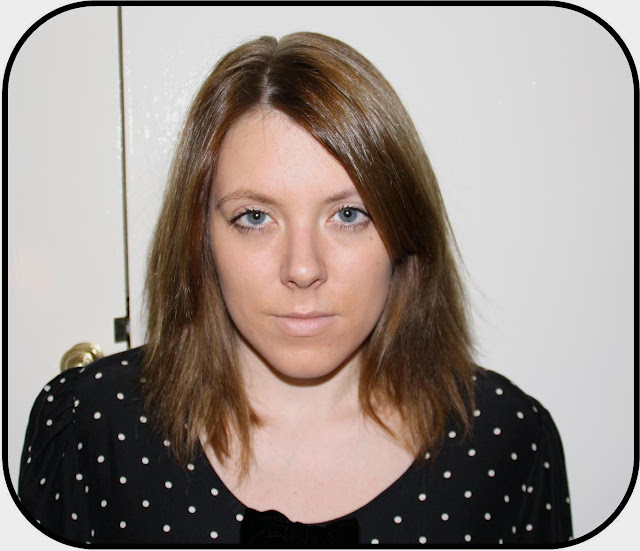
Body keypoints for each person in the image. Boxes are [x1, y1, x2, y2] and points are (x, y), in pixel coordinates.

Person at [18, 32, 572, 545]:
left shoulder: (507, 442)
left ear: (405, 230)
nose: (303, 269)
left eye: (349, 214)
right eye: (255, 217)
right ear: (200, 236)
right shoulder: (89, 427)